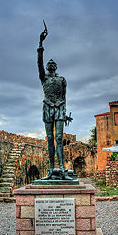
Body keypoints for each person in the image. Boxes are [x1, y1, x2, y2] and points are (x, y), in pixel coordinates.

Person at [37, 24, 71, 180]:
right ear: (46, 67)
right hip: (47, 107)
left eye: (53, 63)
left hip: (59, 108)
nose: (50, 64)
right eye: (48, 64)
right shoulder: (44, 78)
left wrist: (64, 114)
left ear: (56, 67)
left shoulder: (62, 79)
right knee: (50, 138)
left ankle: (62, 168)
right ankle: (51, 168)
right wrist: (40, 44)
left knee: (59, 138)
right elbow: (38, 63)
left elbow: (64, 97)